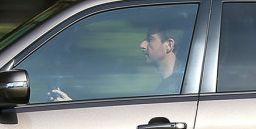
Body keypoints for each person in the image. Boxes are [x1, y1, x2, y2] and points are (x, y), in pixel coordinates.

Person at [47, 19, 186, 101]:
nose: (142, 45)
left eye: (150, 40)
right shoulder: (174, 85)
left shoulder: (173, 90)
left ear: (169, 45)